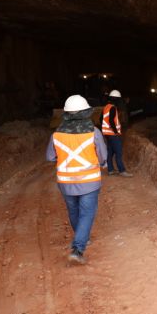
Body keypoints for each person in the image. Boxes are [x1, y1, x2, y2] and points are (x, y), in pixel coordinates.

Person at [46, 95, 107, 264]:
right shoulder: (94, 133)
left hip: (66, 183)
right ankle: (78, 249)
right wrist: (101, 162)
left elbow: (50, 157)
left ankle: (83, 238)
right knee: (87, 213)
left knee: (74, 211)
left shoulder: (56, 135)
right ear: (86, 113)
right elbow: (102, 157)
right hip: (89, 182)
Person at [101, 90, 133, 177]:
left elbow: (101, 120)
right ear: (116, 99)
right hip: (113, 135)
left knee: (110, 152)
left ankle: (110, 170)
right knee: (118, 153)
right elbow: (111, 121)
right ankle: (122, 170)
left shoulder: (106, 107)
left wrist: (106, 131)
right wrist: (116, 132)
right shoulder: (113, 108)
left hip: (107, 134)